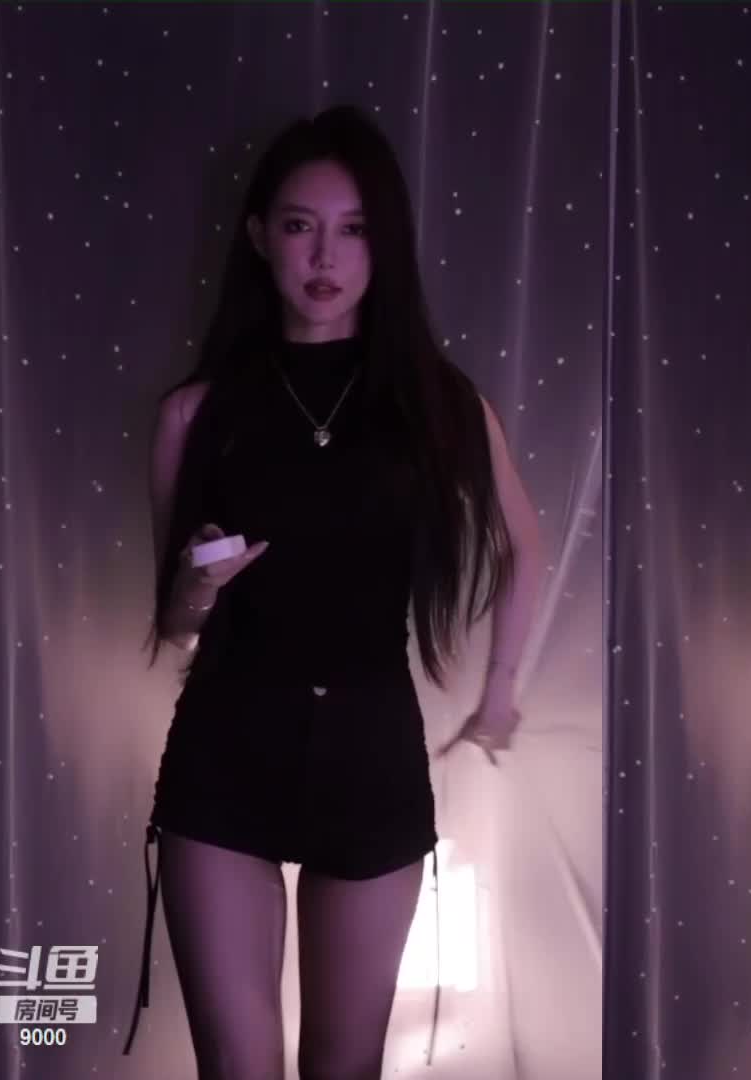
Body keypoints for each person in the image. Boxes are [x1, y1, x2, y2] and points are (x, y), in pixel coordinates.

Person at [122, 105, 543, 1080]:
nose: (325, 255)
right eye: (301, 225)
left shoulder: (438, 403)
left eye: (354, 229)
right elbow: (176, 627)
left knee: (346, 1068)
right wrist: (194, 584)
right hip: (225, 755)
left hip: (370, 756)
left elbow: (525, 545)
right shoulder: (194, 414)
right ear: (258, 236)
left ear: (384, 246)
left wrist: (500, 691)